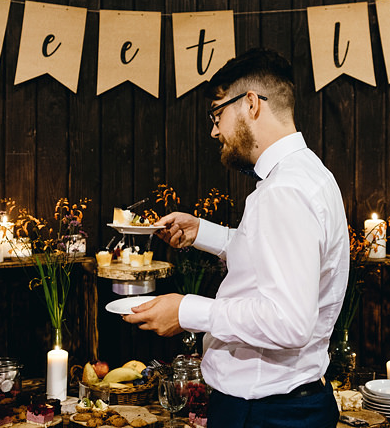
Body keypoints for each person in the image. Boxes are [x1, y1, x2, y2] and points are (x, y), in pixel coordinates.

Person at [125, 48, 350, 427]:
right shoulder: (308, 174)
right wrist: (203, 233)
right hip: (289, 406)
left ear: (250, 104)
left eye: (217, 113)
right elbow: (271, 263)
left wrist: (186, 311)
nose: (214, 130)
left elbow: (288, 322)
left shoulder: (284, 191)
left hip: (267, 413)